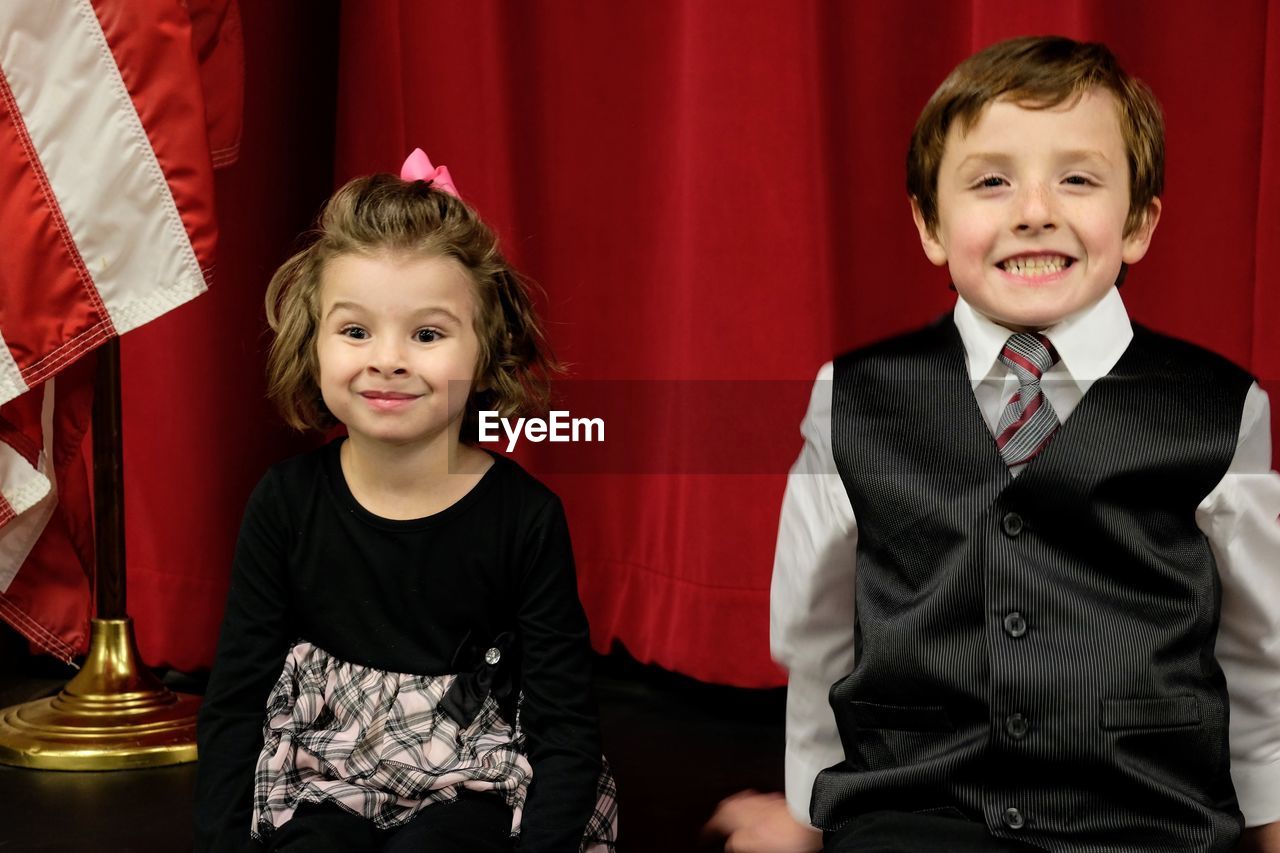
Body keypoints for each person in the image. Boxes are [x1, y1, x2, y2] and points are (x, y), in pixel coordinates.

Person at [708, 36, 1280, 853]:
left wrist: (1270, 822)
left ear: (1140, 222)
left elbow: (1262, 653)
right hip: (919, 808)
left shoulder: (1221, 407)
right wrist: (806, 813)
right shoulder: (854, 396)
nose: (1034, 210)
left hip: (1146, 816)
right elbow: (817, 631)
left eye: (1077, 178)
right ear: (931, 224)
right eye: (991, 181)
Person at [194, 150, 617, 853]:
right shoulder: (285, 504)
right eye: (356, 330)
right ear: (314, 340)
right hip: (323, 775)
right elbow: (235, 704)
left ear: (486, 351)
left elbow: (564, 724)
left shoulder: (526, 518)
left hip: (473, 780)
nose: (387, 358)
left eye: (427, 334)